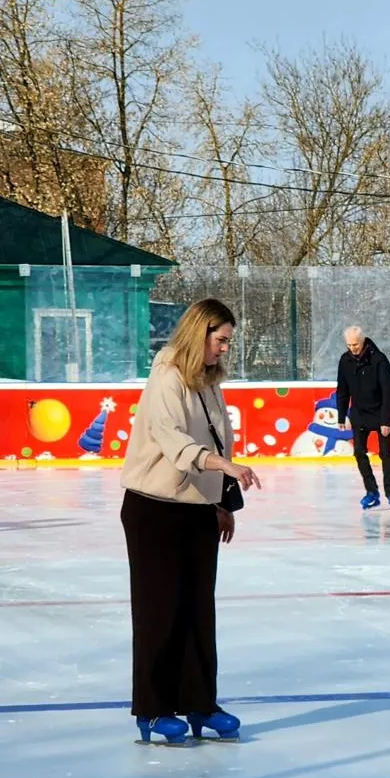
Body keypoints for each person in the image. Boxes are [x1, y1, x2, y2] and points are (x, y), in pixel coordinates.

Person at [119, 297, 262, 745]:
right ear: (199, 333)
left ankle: (200, 703)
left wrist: (221, 503)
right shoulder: (167, 373)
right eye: (220, 340)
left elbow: (219, 435)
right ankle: (153, 708)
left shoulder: (208, 380)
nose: (224, 349)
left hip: (197, 508)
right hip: (154, 508)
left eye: (228, 342)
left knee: (199, 612)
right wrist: (224, 468)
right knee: (159, 610)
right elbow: (173, 439)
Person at [335, 325, 390, 509]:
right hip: (359, 414)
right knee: (359, 452)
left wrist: (386, 421)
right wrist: (341, 416)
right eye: (349, 345)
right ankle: (371, 491)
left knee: (385, 454)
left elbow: (388, 392)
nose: (352, 348)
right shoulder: (345, 361)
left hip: (379, 414)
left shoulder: (379, 360)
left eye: (355, 344)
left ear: (363, 341)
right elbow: (342, 390)